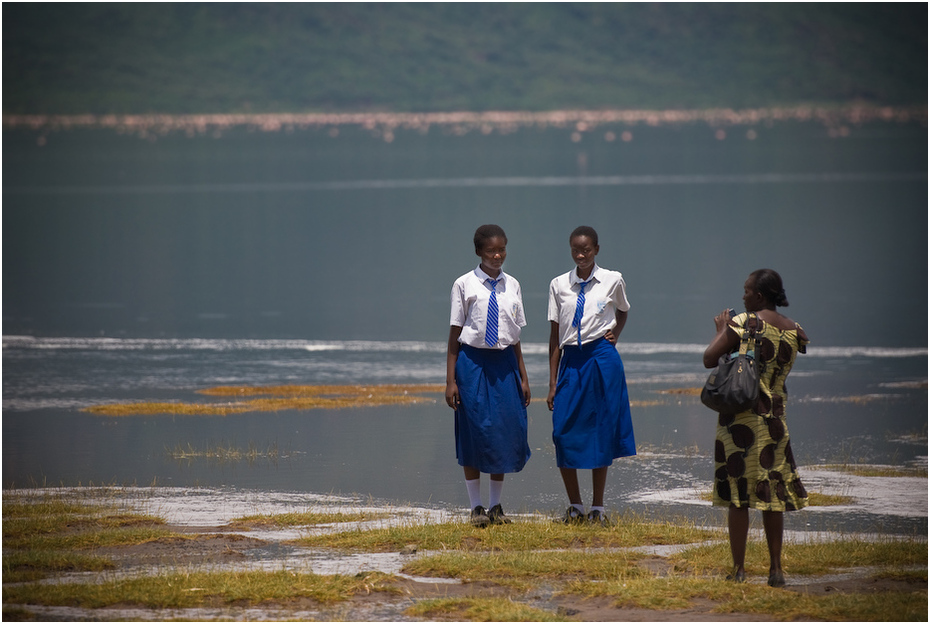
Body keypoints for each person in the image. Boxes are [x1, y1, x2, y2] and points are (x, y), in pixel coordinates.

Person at [703, 268, 810, 588]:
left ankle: (738, 570)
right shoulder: (795, 330)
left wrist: (722, 328)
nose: (743, 296)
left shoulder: (744, 324)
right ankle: (776, 570)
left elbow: (710, 358)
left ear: (759, 296)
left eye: (747, 291)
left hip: (741, 422)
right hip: (775, 421)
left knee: (738, 496)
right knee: (772, 494)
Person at [546, 225, 635, 526]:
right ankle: (575, 506)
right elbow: (555, 336)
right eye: (575, 249)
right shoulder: (559, 284)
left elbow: (623, 310)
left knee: (601, 431)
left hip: (602, 358)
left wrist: (616, 333)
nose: (581, 254)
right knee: (562, 432)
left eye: (586, 249)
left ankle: (597, 508)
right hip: (571, 359)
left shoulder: (612, 280)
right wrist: (552, 382)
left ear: (597, 248)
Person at [446, 224, 532, 527]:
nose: (497, 255)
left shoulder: (514, 285)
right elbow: (455, 334)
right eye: (491, 251)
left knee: (506, 431)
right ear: (478, 252)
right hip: (472, 363)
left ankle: (496, 507)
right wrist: (450, 381)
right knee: (474, 431)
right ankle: (476, 508)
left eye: (502, 249)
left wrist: (523, 376)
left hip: (505, 363)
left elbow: (515, 335)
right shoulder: (464, 285)